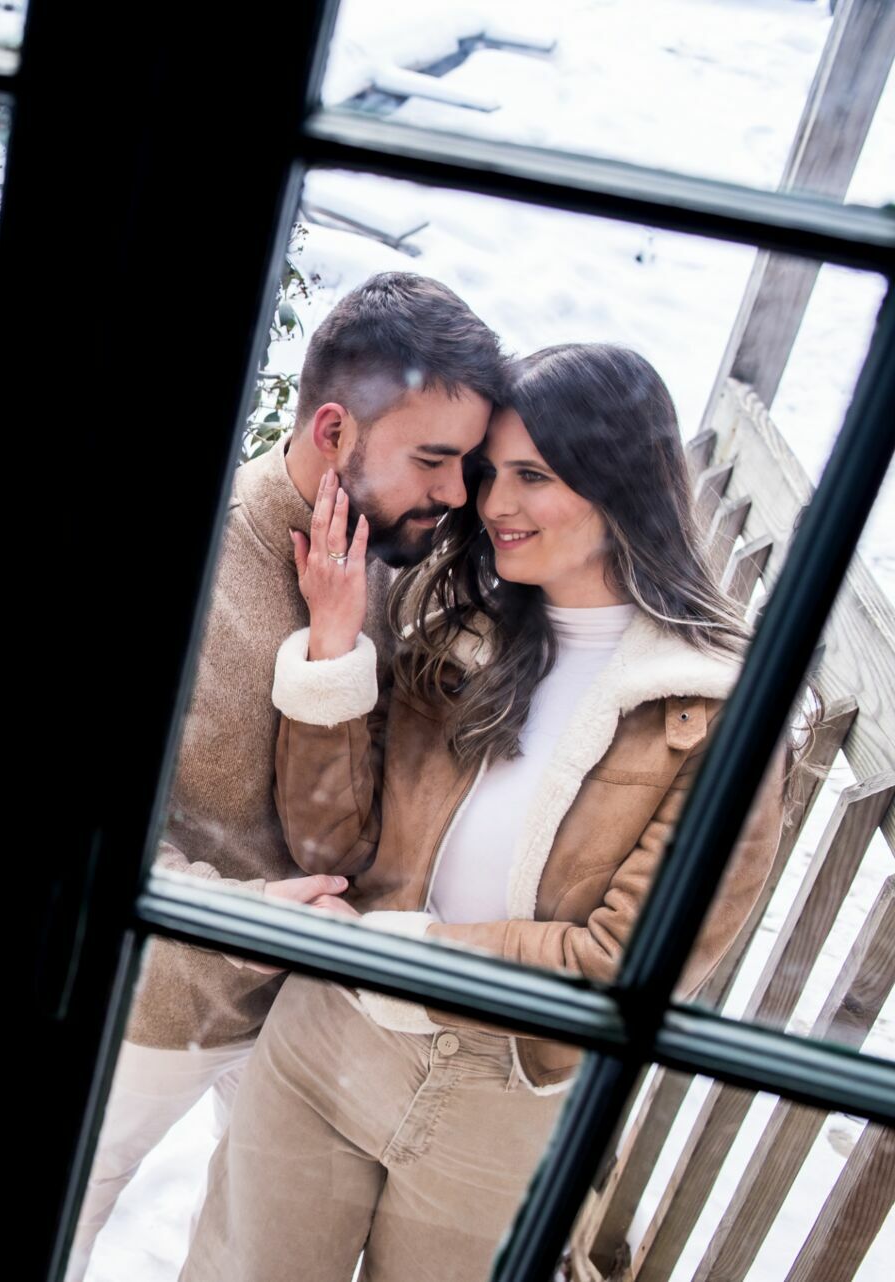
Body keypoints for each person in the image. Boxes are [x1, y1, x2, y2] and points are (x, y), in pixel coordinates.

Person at [178, 343, 787, 1282]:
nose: (493, 505)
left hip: (504, 1103)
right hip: (329, 1039)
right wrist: (333, 648)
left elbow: (618, 971)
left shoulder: (709, 715)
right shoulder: (463, 637)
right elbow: (337, 848)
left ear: (618, 482)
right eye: (487, 474)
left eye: (533, 476)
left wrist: (401, 948)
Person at [67, 272, 506, 1282]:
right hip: (157, 1009)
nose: (454, 494)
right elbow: (92, 828)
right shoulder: (192, 566)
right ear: (334, 430)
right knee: (55, 1221)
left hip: (309, 1022)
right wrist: (248, 912)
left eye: (466, 464)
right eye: (433, 459)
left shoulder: (407, 559)